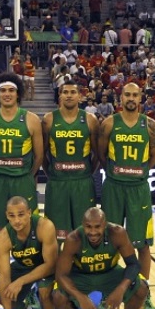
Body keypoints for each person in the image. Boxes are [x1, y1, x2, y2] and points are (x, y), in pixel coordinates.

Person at [98, 82, 155, 309]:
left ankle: (144, 291)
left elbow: (154, 157)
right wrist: (118, 173)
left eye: (135, 94)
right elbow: (102, 155)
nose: (131, 98)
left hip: (138, 189)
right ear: (120, 97)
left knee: (142, 244)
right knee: (109, 240)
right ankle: (107, 289)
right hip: (113, 187)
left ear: (141, 97)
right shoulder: (109, 123)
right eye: (127, 94)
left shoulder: (150, 125)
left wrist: (136, 174)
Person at [53, 207, 149, 309]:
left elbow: (133, 264)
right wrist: (81, 297)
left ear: (105, 224)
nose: (92, 232)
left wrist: (121, 289)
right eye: (88, 227)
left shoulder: (117, 233)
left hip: (110, 273)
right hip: (82, 275)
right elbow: (61, 275)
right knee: (57, 296)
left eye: (97, 227)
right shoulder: (73, 239)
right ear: (82, 225)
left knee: (142, 287)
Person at [0, 72, 43, 241]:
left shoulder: (31, 119)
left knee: (28, 234)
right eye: (3, 91)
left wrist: (28, 175)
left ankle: (27, 267)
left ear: (18, 94)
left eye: (11, 90)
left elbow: (39, 156)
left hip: (22, 180)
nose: (7, 94)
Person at [0, 196, 58, 309]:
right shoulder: (3, 237)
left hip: (45, 267)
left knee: (43, 291)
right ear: (6, 216)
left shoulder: (44, 226)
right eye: (12, 216)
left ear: (29, 212)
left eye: (21, 214)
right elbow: (3, 276)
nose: (16, 220)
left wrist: (20, 281)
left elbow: (50, 265)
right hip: (23, 267)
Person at [42, 81, 99, 243]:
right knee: (55, 235)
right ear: (60, 95)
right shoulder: (49, 119)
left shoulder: (90, 119)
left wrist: (87, 173)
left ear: (80, 96)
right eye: (65, 92)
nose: (68, 95)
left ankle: (81, 267)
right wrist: (51, 174)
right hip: (57, 183)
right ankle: (57, 268)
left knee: (85, 232)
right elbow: (42, 154)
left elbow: (97, 154)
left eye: (73, 92)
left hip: (82, 183)